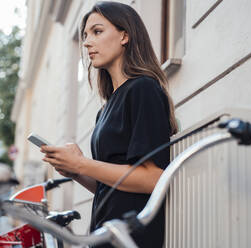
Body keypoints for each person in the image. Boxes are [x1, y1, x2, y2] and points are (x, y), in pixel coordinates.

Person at [41, 2, 178, 247]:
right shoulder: (105, 109)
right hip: (106, 231)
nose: (86, 43)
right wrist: (77, 172)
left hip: (133, 235)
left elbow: (154, 179)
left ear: (124, 35)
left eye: (97, 31)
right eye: (84, 36)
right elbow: (111, 187)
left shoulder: (143, 89)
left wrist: (83, 163)